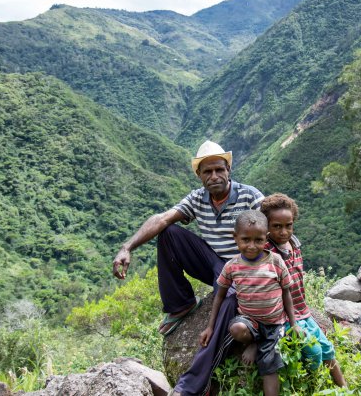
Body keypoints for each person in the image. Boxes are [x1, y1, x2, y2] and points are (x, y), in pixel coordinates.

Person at [112, 140, 264, 396]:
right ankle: (180, 305)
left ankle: (194, 384)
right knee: (169, 232)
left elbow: (271, 215)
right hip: (214, 263)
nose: (214, 176)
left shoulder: (249, 195)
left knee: (226, 300)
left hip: (244, 267)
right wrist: (127, 247)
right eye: (207, 172)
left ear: (229, 170)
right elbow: (162, 218)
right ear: (199, 175)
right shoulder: (197, 199)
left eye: (219, 170)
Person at [199, 210, 300, 396]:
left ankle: (260, 344)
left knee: (269, 367)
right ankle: (253, 341)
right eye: (246, 240)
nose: (252, 246)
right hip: (249, 321)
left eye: (259, 240)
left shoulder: (276, 262)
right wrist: (210, 327)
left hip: (274, 324)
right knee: (236, 329)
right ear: (235, 237)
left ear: (266, 238)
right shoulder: (232, 266)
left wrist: (293, 324)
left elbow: (287, 292)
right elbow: (220, 296)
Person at [260, 193, 347, 388]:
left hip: (303, 311)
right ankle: (310, 385)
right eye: (276, 226)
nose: (284, 231)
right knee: (314, 352)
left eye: (288, 225)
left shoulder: (295, 245)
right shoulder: (266, 251)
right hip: (285, 316)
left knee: (327, 349)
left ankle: (345, 388)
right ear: (266, 226)